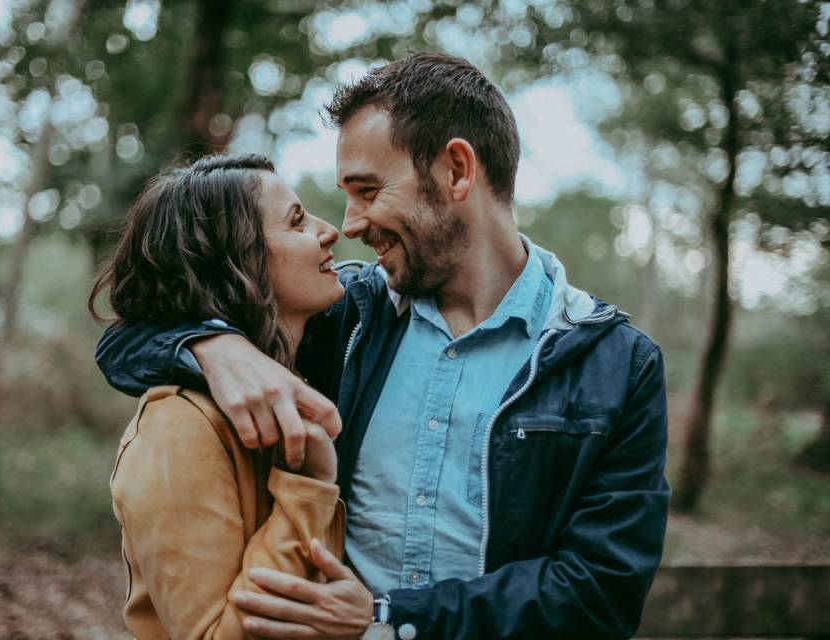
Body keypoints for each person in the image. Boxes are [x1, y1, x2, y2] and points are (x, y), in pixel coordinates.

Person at [95, 53, 670, 639]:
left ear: (456, 171)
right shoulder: (346, 316)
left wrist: (388, 621)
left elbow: (601, 593)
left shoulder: (616, 363)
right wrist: (213, 347)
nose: (347, 225)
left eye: (368, 191)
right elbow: (129, 339)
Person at [88, 154, 349, 639]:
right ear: (237, 261)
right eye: (296, 221)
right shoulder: (178, 430)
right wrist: (310, 484)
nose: (329, 229)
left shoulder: (306, 383)